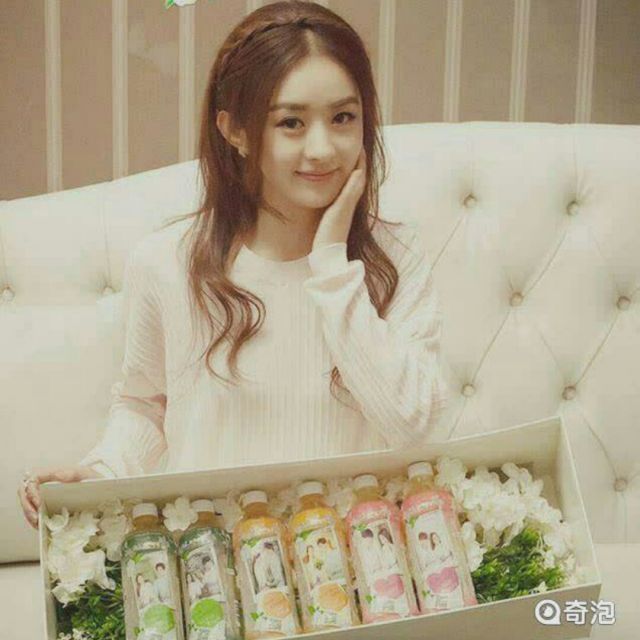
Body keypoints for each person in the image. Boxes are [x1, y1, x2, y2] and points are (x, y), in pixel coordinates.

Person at [18, 0, 448, 529]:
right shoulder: (167, 264)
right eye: (290, 123)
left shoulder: (395, 257)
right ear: (235, 130)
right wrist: (99, 475)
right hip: (217, 559)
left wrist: (332, 264)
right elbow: (146, 406)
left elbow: (414, 426)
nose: (322, 149)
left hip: (358, 561)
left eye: (343, 117)